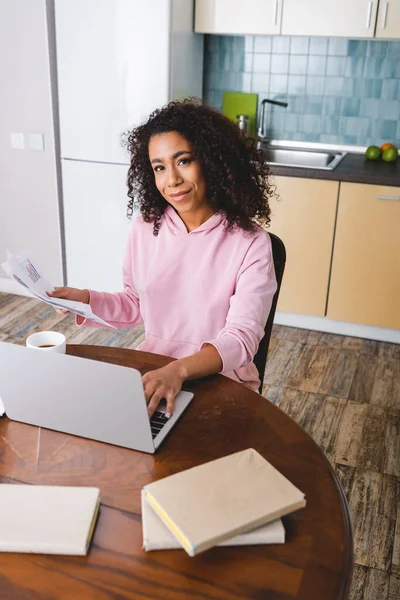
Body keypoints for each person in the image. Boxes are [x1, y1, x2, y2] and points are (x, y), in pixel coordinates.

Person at [49, 98, 277, 418]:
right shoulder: (146, 227)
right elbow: (134, 302)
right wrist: (84, 298)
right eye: (159, 167)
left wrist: (179, 371)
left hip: (222, 382)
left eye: (183, 161)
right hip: (156, 371)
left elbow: (241, 341)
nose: (171, 180)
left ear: (212, 160)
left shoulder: (251, 243)